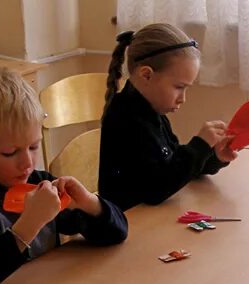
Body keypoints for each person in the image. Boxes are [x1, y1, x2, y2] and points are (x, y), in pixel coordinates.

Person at [0, 66, 128, 284]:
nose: (27, 163)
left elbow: (115, 234)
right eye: (10, 153)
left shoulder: (41, 185)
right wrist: (29, 225)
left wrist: (90, 204)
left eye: (33, 146)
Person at [99, 23, 238, 210]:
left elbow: (174, 166)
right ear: (146, 75)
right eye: (179, 87)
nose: (183, 98)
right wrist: (199, 145)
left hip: (152, 218)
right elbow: (156, 189)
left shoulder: (152, 111)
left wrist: (213, 156)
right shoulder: (125, 117)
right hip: (132, 224)